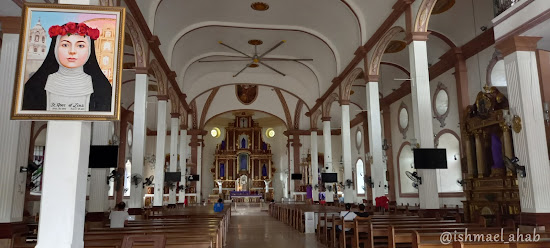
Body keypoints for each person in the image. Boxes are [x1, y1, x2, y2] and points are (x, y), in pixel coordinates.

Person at [22, 22, 111, 112]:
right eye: (65, 45)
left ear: (89, 50)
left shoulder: (102, 88)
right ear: (55, 48)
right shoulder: (34, 86)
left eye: (80, 46)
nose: (72, 51)